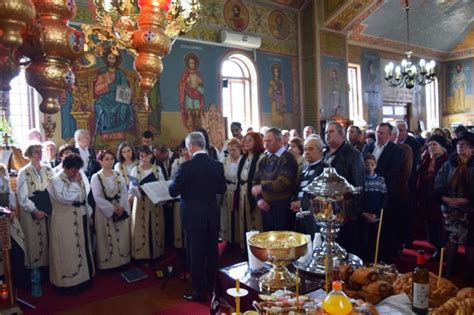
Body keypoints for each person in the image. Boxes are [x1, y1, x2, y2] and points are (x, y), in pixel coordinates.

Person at [169, 132, 226, 302]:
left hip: (193, 217)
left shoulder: (186, 167)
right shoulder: (217, 165)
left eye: (187, 147)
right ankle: (212, 286)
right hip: (211, 215)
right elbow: (221, 189)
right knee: (211, 252)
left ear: (191, 147)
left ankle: (199, 292)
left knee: (195, 254)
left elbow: (173, 191)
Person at [48, 154, 95, 291]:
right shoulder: (55, 180)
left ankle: (85, 278)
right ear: (64, 167)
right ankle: (69, 284)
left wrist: (88, 214)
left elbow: (83, 197)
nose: (76, 173)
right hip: (64, 221)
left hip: (80, 217)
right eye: (73, 170)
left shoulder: (77, 177)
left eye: (77, 170)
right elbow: (66, 198)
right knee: (67, 250)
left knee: (83, 246)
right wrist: (75, 182)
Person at [435, 132, 474, 284]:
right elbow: (438, 183)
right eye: (458, 145)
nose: (461, 148)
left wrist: (466, 200)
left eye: (464, 145)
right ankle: (449, 267)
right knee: (451, 239)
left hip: (470, 209)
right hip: (451, 208)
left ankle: (469, 271)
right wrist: (444, 198)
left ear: (472, 149)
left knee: (471, 242)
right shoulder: (449, 164)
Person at [362, 122, 403, 261]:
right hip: (366, 192)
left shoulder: (395, 150)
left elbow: (393, 173)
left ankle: (382, 256)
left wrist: (375, 179)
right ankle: (367, 255)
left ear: (390, 135)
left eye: (382, 133)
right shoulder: (368, 146)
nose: (379, 135)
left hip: (384, 193)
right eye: (377, 132)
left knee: (383, 229)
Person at [252, 128, 298, 231]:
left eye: (269, 141)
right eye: (265, 141)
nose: (266, 144)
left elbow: (284, 182)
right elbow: (255, 182)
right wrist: (259, 199)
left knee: (282, 239)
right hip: (265, 206)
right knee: (268, 238)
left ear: (279, 141)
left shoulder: (288, 158)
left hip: (282, 206)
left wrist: (262, 187)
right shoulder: (264, 159)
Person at [17, 142, 54, 270]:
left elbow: (55, 188)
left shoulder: (48, 168)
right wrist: (35, 210)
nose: (40, 154)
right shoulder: (23, 172)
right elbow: (22, 197)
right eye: (36, 152)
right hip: (31, 212)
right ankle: (36, 271)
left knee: (50, 240)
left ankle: (51, 269)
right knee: (35, 242)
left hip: (48, 210)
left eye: (40, 151)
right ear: (29, 155)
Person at [91, 150, 131, 270]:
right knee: (106, 235)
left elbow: (124, 191)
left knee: (121, 234)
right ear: (100, 161)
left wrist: (122, 207)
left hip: (119, 207)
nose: (110, 162)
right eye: (107, 159)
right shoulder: (96, 177)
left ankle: (123, 260)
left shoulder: (117, 174)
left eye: (112, 159)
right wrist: (112, 208)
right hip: (104, 211)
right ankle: (109, 263)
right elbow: (97, 196)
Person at [129, 145, 166, 261]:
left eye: (146, 156)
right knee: (141, 227)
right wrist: (138, 189)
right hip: (140, 202)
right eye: (141, 156)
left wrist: (154, 187)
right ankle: (142, 255)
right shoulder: (136, 170)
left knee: (154, 225)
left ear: (151, 156)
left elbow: (163, 185)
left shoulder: (157, 169)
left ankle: (156, 253)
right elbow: (131, 188)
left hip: (154, 201)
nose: (144, 158)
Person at [416, 135, 449, 260]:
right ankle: (436, 246)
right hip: (426, 198)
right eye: (430, 145)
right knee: (430, 225)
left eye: (434, 144)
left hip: (439, 198)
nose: (431, 147)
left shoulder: (446, 160)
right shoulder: (426, 159)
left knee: (439, 226)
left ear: (442, 147)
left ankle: (443, 250)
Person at [290, 135, 328, 237]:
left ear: (320, 151)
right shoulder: (305, 169)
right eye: (305, 149)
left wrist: (302, 203)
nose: (306, 152)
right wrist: (293, 201)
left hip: (315, 218)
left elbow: (321, 195)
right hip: (301, 216)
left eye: (311, 149)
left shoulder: (325, 169)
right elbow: (298, 189)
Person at [0, 163, 29, 290]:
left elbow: (10, 194)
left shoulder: (2, 169)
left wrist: (11, 210)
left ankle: (17, 283)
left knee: (17, 249)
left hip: (8, 220)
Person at [93, 46, 133, 136]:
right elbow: (97, 90)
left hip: (118, 98)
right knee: (99, 106)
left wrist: (123, 96)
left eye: (113, 59)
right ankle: (105, 132)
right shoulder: (103, 73)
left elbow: (125, 87)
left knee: (124, 107)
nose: (111, 61)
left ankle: (119, 132)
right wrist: (107, 83)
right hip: (105, 99)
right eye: (110, 58)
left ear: (116, 60)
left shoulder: (120, 73)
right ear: (106, 59)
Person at [235, 132, 265, 250]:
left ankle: (258, 248)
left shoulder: (261, 158)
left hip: (254, 193)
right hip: (242, 192)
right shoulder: (243, 158)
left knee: (255, 220)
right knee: (243, 219)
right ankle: (245, 247)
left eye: (250, 140)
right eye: (245, 140)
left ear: (257, 142)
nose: (246, 142)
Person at [360, 154, 387, 262]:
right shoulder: (361, 179)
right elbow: (359, 199)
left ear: (375, 165)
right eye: (367, 165)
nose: (369, 167)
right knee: (364, 240)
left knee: (375, 240)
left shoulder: (380, 179)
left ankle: (375, 261)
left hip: (376, 216)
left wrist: (377, 213)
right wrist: (363, 212)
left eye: (372, 164)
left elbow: (384, 198)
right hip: (364, 215)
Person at [220, 138, 242, 242]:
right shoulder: (225, 161)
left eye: (234, 150)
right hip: (227, 190)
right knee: (226, 214)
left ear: (239, 149)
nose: (231, 152)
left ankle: (238, 238)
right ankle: (228, 238)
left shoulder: (243, 160)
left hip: (239, 190)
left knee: (238, 214)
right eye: (229, 150)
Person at [178, 53, 205, 131]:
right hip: (188, 95)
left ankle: (196, 127)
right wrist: (186, 82)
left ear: (195, 64)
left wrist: (199, 84)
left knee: (197, 113)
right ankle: (190, 128)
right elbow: (181, 85)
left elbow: (202, 89)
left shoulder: (198, 74)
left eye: (193, 63)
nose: (192, 64)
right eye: (190, 63)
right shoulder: (186, 74)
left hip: (197, 95)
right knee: (189, 112)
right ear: (188, 64)